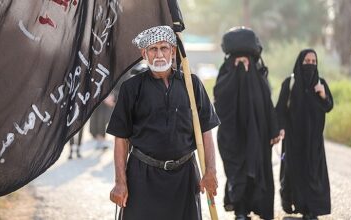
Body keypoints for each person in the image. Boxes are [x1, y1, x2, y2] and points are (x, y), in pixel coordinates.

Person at [106, 25, 220, 220]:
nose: (159, 54)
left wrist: (210, 171)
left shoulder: (191, 84)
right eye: (153, 49)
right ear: (144, 53)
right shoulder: (131, 88)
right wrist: (120, 182)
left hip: (184, 176)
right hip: (143, 176)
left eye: (164, 48)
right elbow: (121, 138)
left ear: (173, 51)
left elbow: (205, 131)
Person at [214, 27, 281, 220]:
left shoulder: (258, 77)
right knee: (237, 173)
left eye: (247, 60)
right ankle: (240, 210)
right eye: (238, 60)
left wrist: (274, 130)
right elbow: (220, 99)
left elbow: (267, 104)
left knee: (258, 171)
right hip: (233, 137)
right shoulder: (227, 73)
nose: (243, 64)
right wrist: (235, 72)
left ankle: (258, 208)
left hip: (258, 136)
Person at [276, 49, 333, 220]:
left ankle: (312, 211)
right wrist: (281, 129)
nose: (310, 64)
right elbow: (280, 109)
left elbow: (328, 107)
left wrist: (323, 95)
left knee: (313, 174)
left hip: (314, 140)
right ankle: (299, 207)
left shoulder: (320, 83)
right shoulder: (290, 83)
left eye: (313, 62)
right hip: (294, 139)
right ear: (300, 62)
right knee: (294, 173)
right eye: (307, 61)